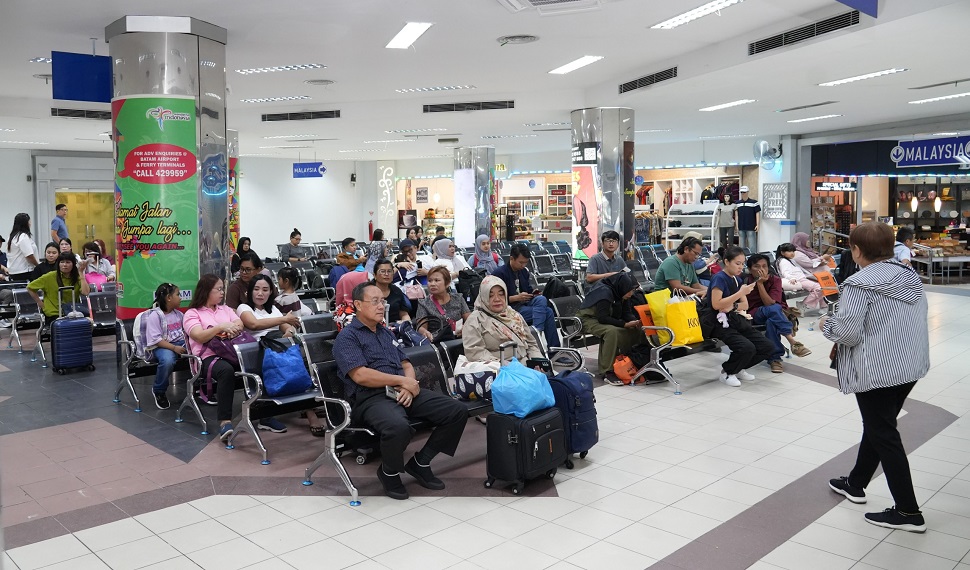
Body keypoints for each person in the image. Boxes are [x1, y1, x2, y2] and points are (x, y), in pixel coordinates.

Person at [821, 222, 929, 533]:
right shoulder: (909, 275)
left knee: (884, 434)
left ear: (856, 250)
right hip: (909, 366)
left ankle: (908, 512)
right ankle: (856, 483)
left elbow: (847, 333)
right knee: (880, 425)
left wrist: (827, 323)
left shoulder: (859, 284)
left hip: (877, 370)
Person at [333, 281, 467, 500]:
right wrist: (401, 382)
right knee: (397, 426)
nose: (380, 306)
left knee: (456, 411)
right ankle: (389, 472)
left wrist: (411, 385)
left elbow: (405, 364)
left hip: (402, 390)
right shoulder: (348, 337)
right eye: (374, 301)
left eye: (382, 301)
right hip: (371, 398)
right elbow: (360, 375)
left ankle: (421, 463)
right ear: (357, 304)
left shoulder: (385, 333)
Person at [698, 246, 776, 387]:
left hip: (734, 318)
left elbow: (744, 305)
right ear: (727, 262)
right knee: (746, 347)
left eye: (742, 264)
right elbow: (717, 305)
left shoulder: (737, 280)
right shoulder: (719, 278)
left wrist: (733, 306)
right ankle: (727, 372)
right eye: (737, 263)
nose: (741, 267)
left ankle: (739, 367)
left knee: (768, 346)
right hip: (717, 323)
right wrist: (739, 294)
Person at [183, 274, 245, 441]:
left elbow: (240, 323)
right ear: (206, 291)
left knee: (256, 362)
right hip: (206, 358)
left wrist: (231, 328)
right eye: (218, 289)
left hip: (230, 351)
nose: (222, 292)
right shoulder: (192, 313)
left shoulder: (224, 309)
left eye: (222, 289)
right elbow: (199, 336)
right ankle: (225, 421)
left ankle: (263, 412)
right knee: (226, 370)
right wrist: (220, 327)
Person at [745, 254, 811, 374]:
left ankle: (774, 359)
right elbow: (768, 305)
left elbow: (770, 303)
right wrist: (759, 284)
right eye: (757, 266)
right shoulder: (745, 280)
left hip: (774, 313)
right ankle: (792, 342)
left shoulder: (775, 280)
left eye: (764, 266)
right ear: (750, 269)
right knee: (774, 310)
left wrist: (761, 284)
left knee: (771, 321)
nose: (761, 269)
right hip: (754, 313)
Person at [490, 244, 560, 349]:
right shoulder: (499, 274)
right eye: (521, 262)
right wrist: (515, 297)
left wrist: (533, 293)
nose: (523, 265)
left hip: (524, 304)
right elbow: (494, 299)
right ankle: (549, 346)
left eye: (526, 263)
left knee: (541, 299)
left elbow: (527, 289)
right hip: (510, 308)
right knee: (548, 312)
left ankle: (537, 330)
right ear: (511, 258)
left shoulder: (523, 272)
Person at [463, 276, 543, 363]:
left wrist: (538, 362)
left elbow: (531, 344)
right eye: (490, 296)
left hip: (525, 364)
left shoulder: (513, 315)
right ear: (483, 297)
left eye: (501, 294)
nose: (497, 299)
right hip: (499, 370)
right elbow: (475, 353)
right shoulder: (475, 320)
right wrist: (505, 366)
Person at [577, 273, 644, 378]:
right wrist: (624, 324)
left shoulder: (621, 291)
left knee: (636, 330)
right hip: (588, 319)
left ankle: (632, 361)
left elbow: (626, 313)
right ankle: (607, 370)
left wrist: (635, 322)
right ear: (623, 287)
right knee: (612, 332)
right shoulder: (604, 292)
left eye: (633, 290)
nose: (632, 293)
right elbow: (602, 318)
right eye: (630, 290)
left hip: (606, 317)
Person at [142, 283, 187, 410]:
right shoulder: (155, 316)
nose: (180, 298)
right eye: (178, 295)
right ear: (168, 298)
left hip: (180, 344)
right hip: (162, 346)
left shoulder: (179, 314)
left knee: (201, 352)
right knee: (167, 361)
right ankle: (159, 390)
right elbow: (156, 340)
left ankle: (202, 387)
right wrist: (174, 348)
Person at [27, 252, 90, 320]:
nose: (64, 265)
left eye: (68, 262)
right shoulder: (50, 276)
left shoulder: (77, 277)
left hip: (73, 313)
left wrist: (81, 273)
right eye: (62, 262)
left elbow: (85, 292)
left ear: (74, 264)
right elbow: (30, 287)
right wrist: (40, 303)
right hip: (54, 313)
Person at [416, 266, 469, 340]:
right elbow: (421, 328)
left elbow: (470, 320)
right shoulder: (424, 303)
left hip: (460, 339)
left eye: (437, 280)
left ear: (447, 283)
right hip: (438, 342)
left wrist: (466, 328)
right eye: (430, 280)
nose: (432, 284)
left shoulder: (458, 298)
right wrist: (425, 333)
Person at [775, 243, 825, 310]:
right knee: (819, 288)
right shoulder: (783, 261)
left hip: (802, 278)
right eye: (789, 251)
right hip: (799, 280)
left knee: (822, 286)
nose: (792, 253)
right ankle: (804, 304)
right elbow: (785, 273)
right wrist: (791, 278)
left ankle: (823, 306)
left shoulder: (790, 260)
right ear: (782, 253)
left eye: (793, 251)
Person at [372, 258, 410, 322]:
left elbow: (403, 314)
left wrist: (406, 322)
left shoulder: (397, 291)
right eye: (382, 271)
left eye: (389, 271)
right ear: (374, 275)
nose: (386, 274)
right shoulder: (367, 291)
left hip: (394, 327)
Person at [7, 213, 38, 281]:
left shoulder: (12, 236)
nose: (30, 223)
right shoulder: (23, 236)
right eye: (29, 221)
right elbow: (29, 255)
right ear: (26, 223)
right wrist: (38, 266)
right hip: (24, 271)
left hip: (14, 271)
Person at [736, 187, 761, 252]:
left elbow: (757, 214)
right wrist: (737, 226)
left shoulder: (754, 203)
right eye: (741, 192)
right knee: (741, 246)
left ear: (747, 192)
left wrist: (757, 225)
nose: (743, 194)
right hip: (741, 226)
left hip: (751, 226)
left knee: (752, 245)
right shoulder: (737, 203)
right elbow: (736, 215)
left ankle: (753, 258)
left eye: (744, 192)